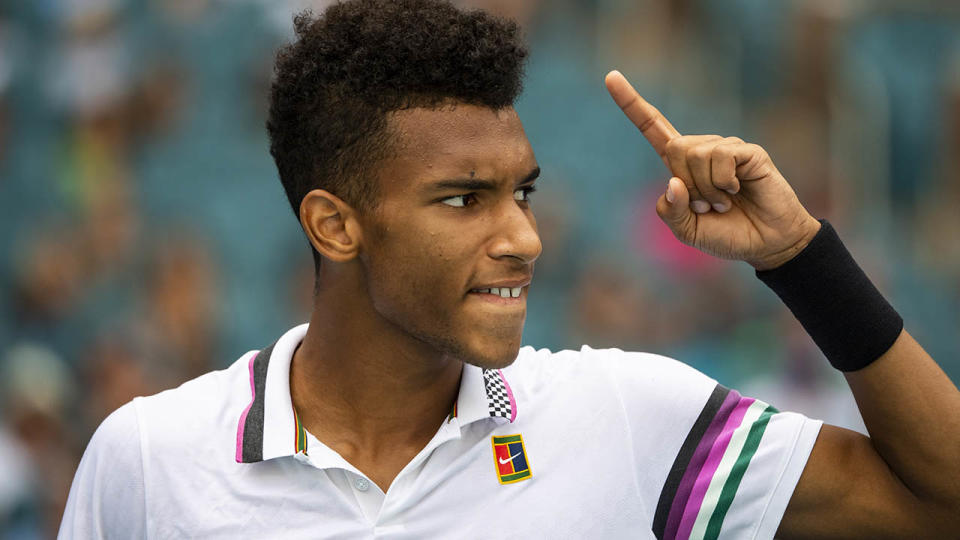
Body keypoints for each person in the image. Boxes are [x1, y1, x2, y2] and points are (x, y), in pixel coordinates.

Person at [59, 1, 960, 538]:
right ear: (335, 226)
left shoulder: (625, 417)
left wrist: (802, 257)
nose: (523, 239)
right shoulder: (150, 459)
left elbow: (941, 505)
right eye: (463, 199)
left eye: (521, 193)